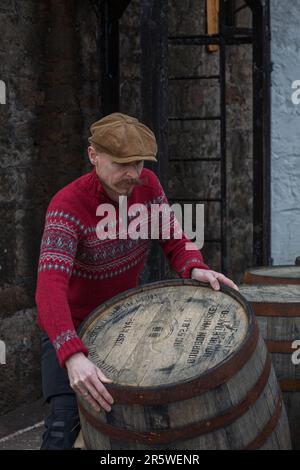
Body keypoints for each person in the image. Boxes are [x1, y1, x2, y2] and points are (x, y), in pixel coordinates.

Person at [35, 112, 238, 449]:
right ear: (93, 156)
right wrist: (72, 355)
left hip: (125, 325)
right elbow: (49, 288)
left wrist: (193, 266)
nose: (132, 174)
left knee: (135, 428)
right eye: (121, 164)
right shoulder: (66, 205)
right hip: (72, 326)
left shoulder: (148, 185)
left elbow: (174, 238)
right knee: (62, 428)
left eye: (139, 163)